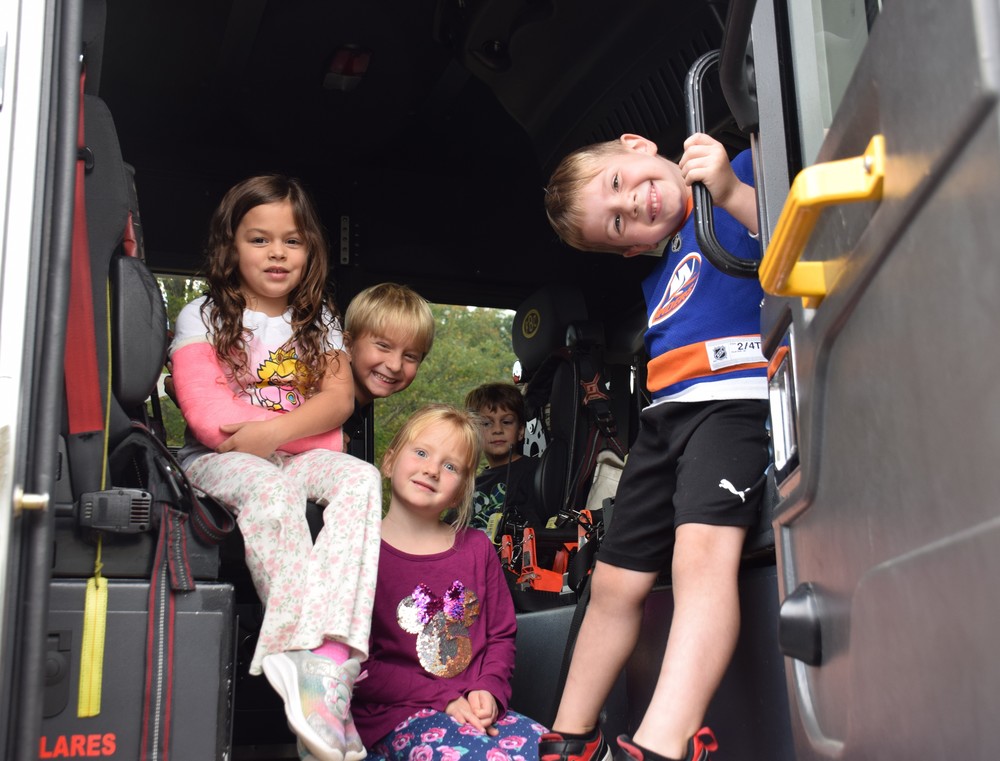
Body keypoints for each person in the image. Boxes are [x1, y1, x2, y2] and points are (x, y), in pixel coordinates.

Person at [537, 132, 770, 761]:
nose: (633, 203)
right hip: (664, 423)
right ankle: (572, 737)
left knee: (699, 558)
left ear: (638, 146)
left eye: (618, 182)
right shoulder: (659, 274)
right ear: (632, 248)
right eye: (617, 222)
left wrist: (730, 189)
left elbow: (802, 241)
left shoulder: (741, 172)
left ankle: (667, 741)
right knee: (613, 582)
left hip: (736, 404)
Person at [169, 174, 381, 761]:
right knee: (269, 487)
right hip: (217, 463)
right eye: (259, 239)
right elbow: (210, 419)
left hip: (296, 455)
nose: (277, 253)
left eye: (292, 241)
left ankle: (331, 662)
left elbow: (338, 403)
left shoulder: (320, 323)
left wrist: (271, 433)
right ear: (231, 246)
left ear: (310, 249)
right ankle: (295, 649)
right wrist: (296, 429)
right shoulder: (202, 316)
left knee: (361, 478)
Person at [352, 404, 548, 761]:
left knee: (554, 751)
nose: (431, 469)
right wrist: (444, 699)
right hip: (395, 715)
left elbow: (500, 636)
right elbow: (356, 664)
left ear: (460, 492)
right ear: (390, 461)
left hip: (476, 710)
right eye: (421, 453)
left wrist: (489, 689)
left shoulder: (477, 548)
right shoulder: (358, 549)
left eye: (451, 466)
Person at [341, 282, 436, 459]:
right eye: (383, 346)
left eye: (410, 356)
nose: (395, 365)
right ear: (348, 345)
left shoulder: (358, 406)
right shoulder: (330, 398)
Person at [464, 382, 544, 538]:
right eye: (486, 423)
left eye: (506, 422)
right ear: (473, 433)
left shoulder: (536, 472)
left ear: (521, 431)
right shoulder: (471, 485)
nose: (497, 430)